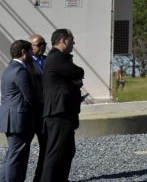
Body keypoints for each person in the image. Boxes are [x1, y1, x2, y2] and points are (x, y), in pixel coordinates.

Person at [41, 28, 87, 182]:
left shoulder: (60, 58)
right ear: (63, 40)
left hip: (64, 112)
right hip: (58, 112)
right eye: (71, 40)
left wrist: (74, 82)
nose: (73, 43)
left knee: (67, 150)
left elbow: (75, 77)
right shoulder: (57, 58)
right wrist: (75, 80)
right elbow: (78, 72)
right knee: (55, 152)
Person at [2, 40, 40, 182]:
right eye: (30, 51)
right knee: (17, 157)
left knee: (12, 156)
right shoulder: (20, 70)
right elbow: (30, 96)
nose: (32, 54)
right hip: (19, 120)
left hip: (12, 118)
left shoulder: (9, 68)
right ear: (24, 52)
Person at [27, 35, 47, 182]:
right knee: (23, 150)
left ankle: (39, 178)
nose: (42, 47)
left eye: (44, 44)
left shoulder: (48, 60)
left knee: (45, 147)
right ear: (30, 47)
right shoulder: (25, 63)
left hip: (45, 112)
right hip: (31, 113)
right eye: (39, 44)